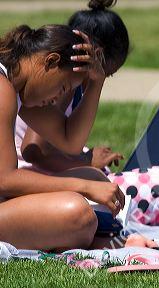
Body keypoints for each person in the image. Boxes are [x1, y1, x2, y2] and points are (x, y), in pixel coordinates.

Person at [0, 23, 130, 251]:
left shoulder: (15, 87)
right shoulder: (3, 90)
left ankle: (95, 239)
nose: (57, 98)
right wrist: (84, 188)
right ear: (50, 61)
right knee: (77, 215)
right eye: (62, 87)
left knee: (93, 178)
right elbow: (5, 180)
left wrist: (97, 82)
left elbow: (70, 141)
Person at [17, 0, 129, 173]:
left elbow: (69, 143)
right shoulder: (64, 84)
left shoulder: (65, 82)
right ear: (95, 56)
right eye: (108, 73)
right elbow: (34, 151)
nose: (102, 78)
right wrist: (87, 163)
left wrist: (85, 158)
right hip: (25, 169)